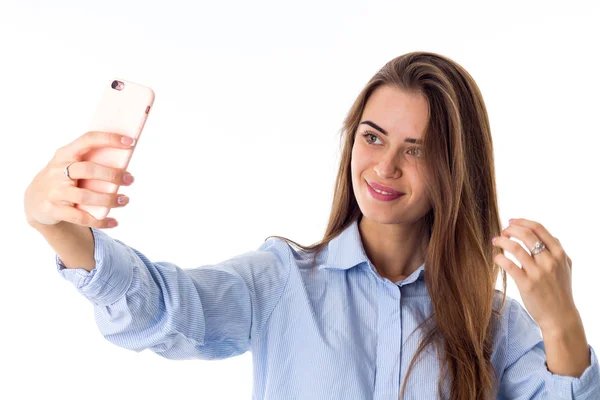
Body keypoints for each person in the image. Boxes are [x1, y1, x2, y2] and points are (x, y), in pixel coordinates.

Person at [24, 51, 599, 399]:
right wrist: (60, 229)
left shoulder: (493, 324)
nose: (385, 167)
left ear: (456, 169)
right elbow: (164, 310)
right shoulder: (281, 283)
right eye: (372, 137)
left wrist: (562, 322)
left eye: (416, 149)